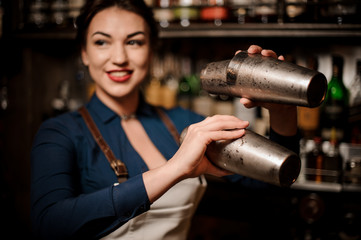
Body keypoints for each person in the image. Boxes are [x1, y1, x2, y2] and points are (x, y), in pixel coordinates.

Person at [30, 0, 300, 239]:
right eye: (102, 42)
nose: (120, 58)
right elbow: (49, 225)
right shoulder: (60, 132)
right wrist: (175, 169)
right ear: (85, 53)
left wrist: (282, 110)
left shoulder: (185, 123)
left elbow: (274, 182)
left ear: (151, 50)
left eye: (134, 41)